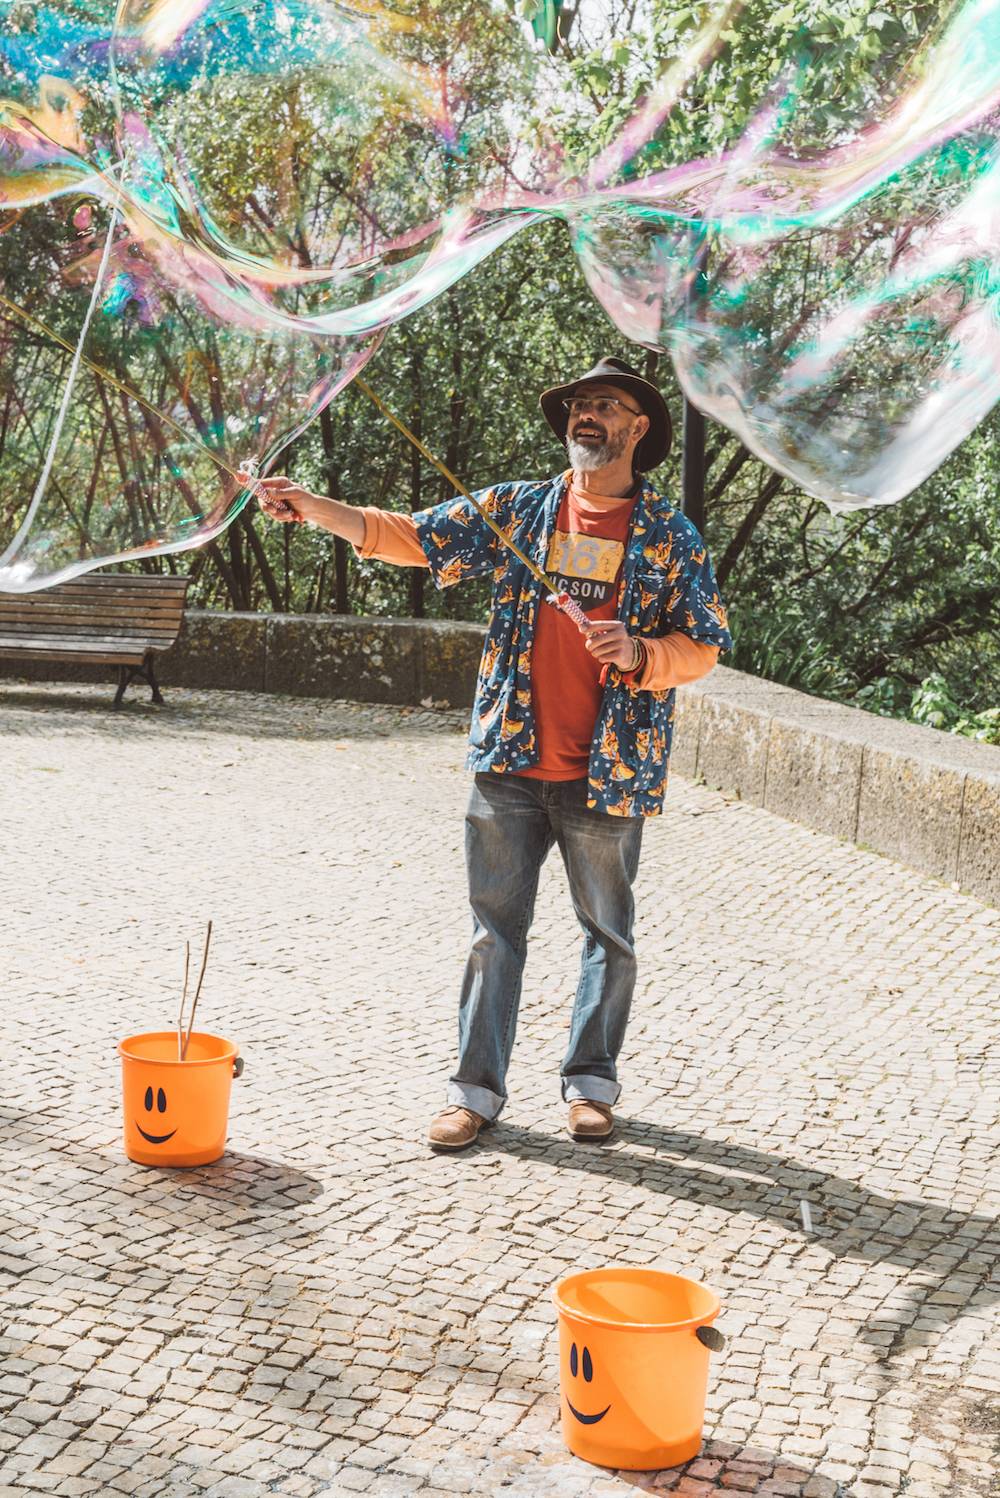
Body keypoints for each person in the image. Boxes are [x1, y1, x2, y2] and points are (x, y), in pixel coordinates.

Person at [258, 356, 732, 1150]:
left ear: (638, 427)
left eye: (605, 404)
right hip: (509, 760)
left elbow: (705, 646)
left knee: (607, 937)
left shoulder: (669, 534)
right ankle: (474, 1092)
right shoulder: (520, 510)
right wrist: (311, 507)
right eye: (578, 403)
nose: (587, 415)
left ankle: (590, 1086)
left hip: (609, 769)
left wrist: (642, 652)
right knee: (492, 933)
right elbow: (407, 537)